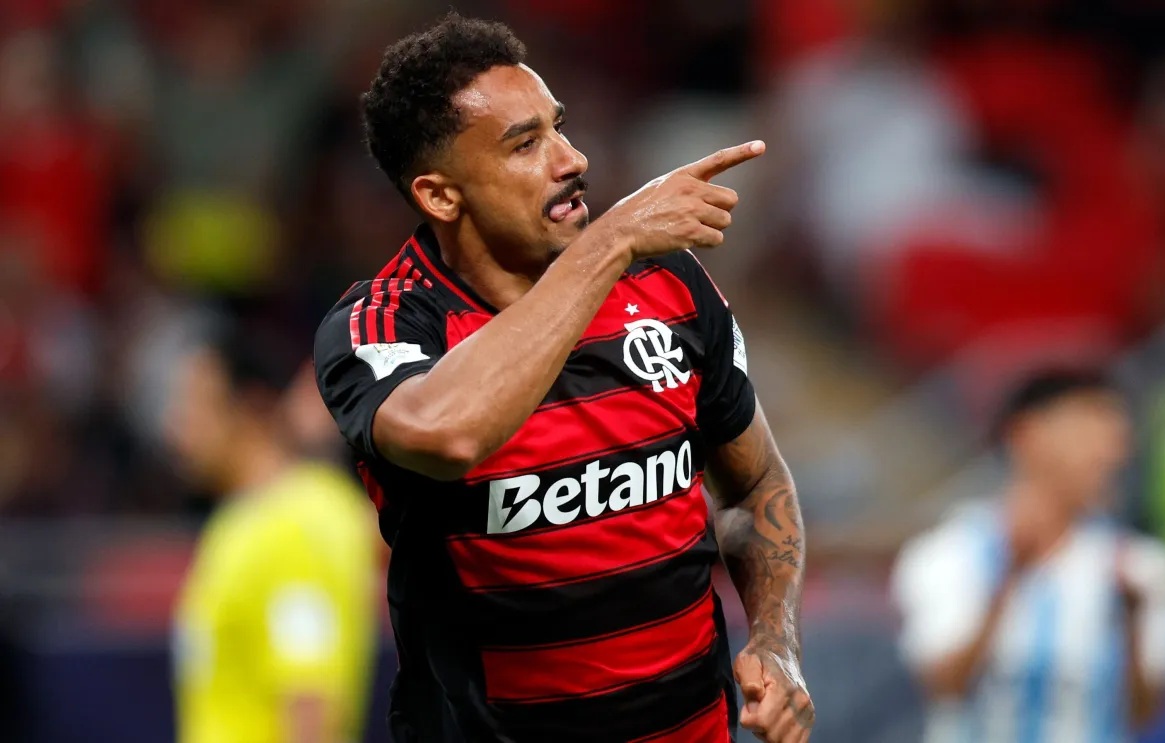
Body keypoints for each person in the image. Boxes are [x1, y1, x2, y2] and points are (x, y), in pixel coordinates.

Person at [312, 13, 812, 743]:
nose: (571, 157)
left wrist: (777, 640)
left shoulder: (666, 284)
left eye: (559, 127)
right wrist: (610, 240)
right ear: (440, 195)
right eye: (525, 144)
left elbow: (756, 485)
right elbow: (447, 432)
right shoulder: (383, 324)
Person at [893, 369, 1165, 742]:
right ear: (1025, 434)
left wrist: (1132, 623)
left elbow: (1145, 714)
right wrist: (1008, 580)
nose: (1109, 453)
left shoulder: (1141, 567)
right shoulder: (949, 553)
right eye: (1086, 431)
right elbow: (942, 685)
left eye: (1116, 438)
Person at [167, 320, 380, 743]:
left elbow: (311, 700)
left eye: (196, 404)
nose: (177, 427)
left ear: (251, 406)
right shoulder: (242, 518)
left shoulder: (295, 523)